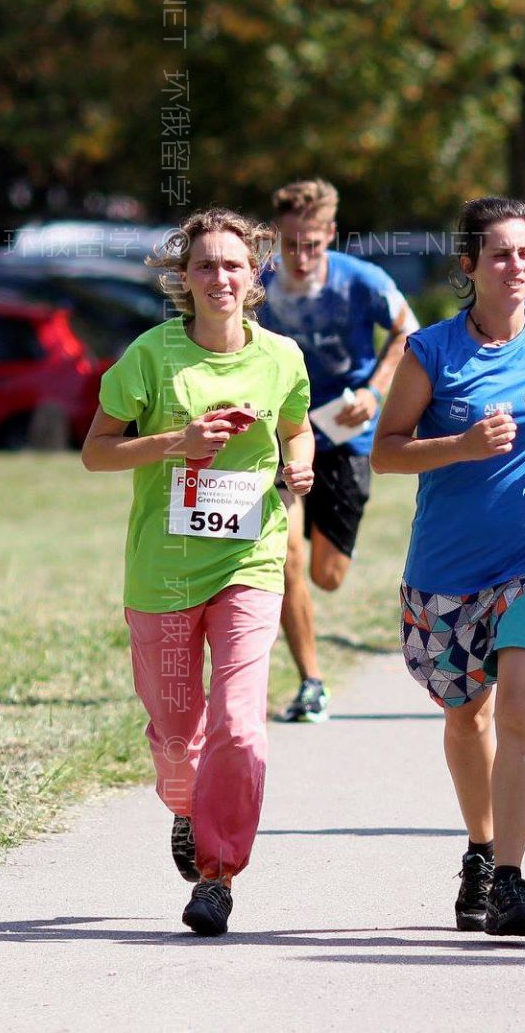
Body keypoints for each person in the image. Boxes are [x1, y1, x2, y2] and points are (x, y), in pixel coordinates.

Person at [372, 196, 525, 938]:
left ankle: (510, 878)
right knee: (465, 716)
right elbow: (386, 451)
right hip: (446, 570)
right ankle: (480, 849)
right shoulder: (432, 353)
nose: (518, 266)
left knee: (517, 708)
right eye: (502, 254)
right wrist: (461, 447)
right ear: (470, 265)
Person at [81, 209, 314, 938]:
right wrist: (175, 442)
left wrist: (300, 458)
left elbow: (297, 425)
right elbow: (95, 452)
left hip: (251, 559)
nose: (221, 277)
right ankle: (185, 806)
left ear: (255, 278)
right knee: (178, 737)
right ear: (184, 279)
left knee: (240, 728)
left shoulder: (282, 357)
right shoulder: (150, 358)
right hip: (164, 573)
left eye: (234, 266)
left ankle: (217, 875)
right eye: (206, 265)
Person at [256, 179, 419, 723]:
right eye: (290, 245)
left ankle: (312, 664)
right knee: (287, 559)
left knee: (328, 574)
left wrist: (375, 392)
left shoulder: (361, 281)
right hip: (283, 435)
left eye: (312, 245)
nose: (300, 258)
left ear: (330, 235)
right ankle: (311, 682)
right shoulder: (260, 284)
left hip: (347, 436)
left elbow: (406, 332)